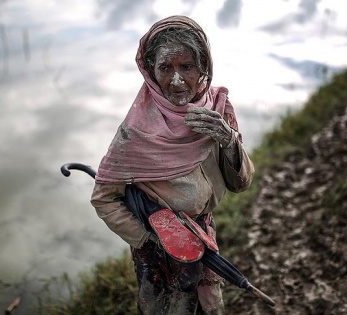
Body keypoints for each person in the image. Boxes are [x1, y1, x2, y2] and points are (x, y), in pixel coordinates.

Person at [91, 15, 254, 315]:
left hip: (202, 236)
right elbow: (104, 198)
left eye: (187, 67)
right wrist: (149, 239)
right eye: (166, 68)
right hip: (156, 253)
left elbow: (241, 183)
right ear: (151, 72)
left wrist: (229, 140)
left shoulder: (217, 113)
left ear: (203, 67)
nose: (177, 80)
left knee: (208, 306)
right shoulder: (136, 131)